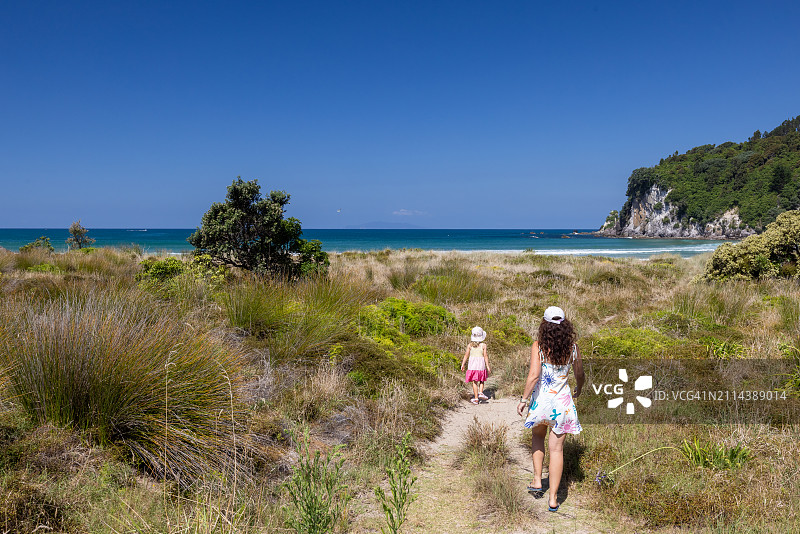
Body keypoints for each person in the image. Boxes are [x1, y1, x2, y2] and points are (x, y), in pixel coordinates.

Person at [516, 306, 584, 512]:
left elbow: (534, 376)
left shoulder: (538, 346)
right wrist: (579, 388)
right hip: (562, 405)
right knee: (557, 450)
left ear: (544, 324)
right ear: (565, 325)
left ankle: (537, 480)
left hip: (541, 403)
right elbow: (580, 374)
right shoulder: (573, 348)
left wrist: (523, 399)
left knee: (537, 438)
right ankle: (553, 498)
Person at [461, 326, 491, 405]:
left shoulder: (470, 345)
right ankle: (481, 392)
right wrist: (487, 366)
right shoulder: (483, 345)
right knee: (481, 379)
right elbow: (485, 356)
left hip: (472, 366)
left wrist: (463, 364)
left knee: (474, 382)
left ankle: (476, 398)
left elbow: (466, 355)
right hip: (481, 365)